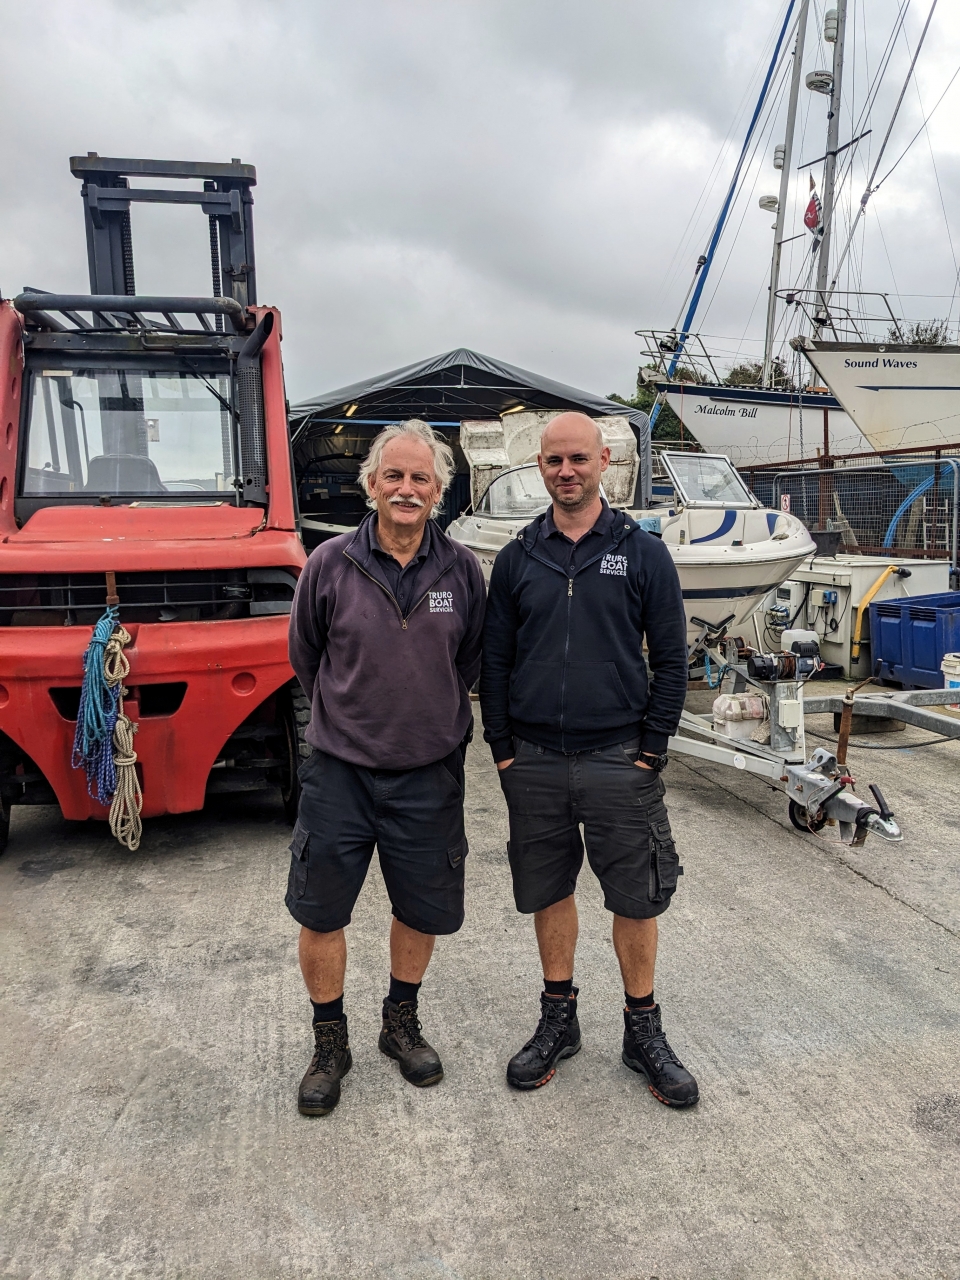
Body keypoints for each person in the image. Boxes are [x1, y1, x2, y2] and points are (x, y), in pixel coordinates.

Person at [479, 411, 697, 1106]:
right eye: (553, 462)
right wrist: (504, 748)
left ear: (604, 461)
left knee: (635, 898)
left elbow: (670, 658)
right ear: (540, 468)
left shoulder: (642, 551)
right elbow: (496, 658)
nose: (566, 472)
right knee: (549, 892)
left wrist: (653, 749)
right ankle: (558, 1020)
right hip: (536, 760)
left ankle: (642, 1031)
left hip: (618, 755)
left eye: (578, 459)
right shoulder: (518, 556)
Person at [287, 419, 485, 1116]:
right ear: (370, 484)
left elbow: (468, 662)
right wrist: (348, 717)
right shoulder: (329, 564)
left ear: (440, 492)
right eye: (393, 476)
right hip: (340, 773)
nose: (406, 488)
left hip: (428, 774)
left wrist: (424, 718)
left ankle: (399, 1022)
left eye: (420, 478)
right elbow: (306, 657)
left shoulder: (462, 570)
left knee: (421, 907)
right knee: (321, 911)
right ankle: (329, 1039)